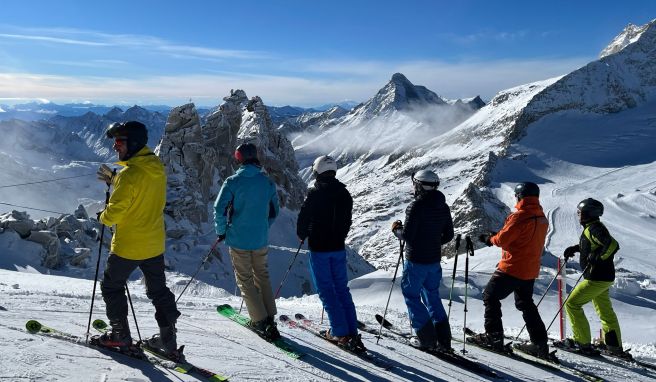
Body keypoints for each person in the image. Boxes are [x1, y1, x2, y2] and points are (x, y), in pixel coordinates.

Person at [95, 121, 181, 359]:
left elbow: (115, 213)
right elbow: (140, 186)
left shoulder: (129, 174)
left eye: (119, 142)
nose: (115, 147)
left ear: (132, 143)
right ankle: (168, 341)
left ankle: (120, 336)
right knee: (158, 291)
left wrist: (102, 216)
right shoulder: (156, 167)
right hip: (154, 244)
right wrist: (115, 178)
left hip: (128, 246)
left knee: (112, 286)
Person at [471, 182, 550, 358]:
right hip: (530, 269)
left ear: (520, 196)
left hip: (512, 267)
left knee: (490, 296)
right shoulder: (541, 217)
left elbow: (503, 240)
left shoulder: (519, 216)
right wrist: (498, 236)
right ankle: (540, 344)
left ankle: (494, 337)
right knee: (526, 305)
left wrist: (490, 239)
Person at [297, 155, 365, 353]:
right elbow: (347, 222)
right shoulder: (345, 194)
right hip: (338, 248)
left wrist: (304, 234)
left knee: (327, 290)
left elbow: (303, 220)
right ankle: (352, 330)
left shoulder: (315, 194)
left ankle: (339, 333)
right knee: (341, 289)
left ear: (317, 171)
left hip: (319, 249)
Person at [214, 142, 281, 340]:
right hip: (260, 239)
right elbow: (274, 211)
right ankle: (269, 317)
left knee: (245, 279)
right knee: (262, 275)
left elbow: (219, 209)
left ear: (239, 158)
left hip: (238, 239)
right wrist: (262, 227)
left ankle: (259, 321)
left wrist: (222, 231)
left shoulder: (233, 181)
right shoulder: (267, 182)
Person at [391, 170, 454, 351]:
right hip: (434, 261)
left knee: (411, 295)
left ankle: (426, 339)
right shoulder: (443, 206)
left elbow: (409, 236)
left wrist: (397, 230)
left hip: (416, 260)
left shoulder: (415, 206)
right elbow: (448, 235)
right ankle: (443, 340)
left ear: (418, 185)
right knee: (432, 296)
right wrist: (432, 241)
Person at [557, 198, 622, 355]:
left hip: (596, 278)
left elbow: (612, 245)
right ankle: (613, 346)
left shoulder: (594, 228)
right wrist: (576, 248)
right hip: (604, 278)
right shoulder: (592, 228)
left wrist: (597, 258)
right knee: (605, 311)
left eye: (580, 212)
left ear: (588, 214)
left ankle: (582, 343)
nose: (578, 215)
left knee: (572, 304)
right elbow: (595, 245)